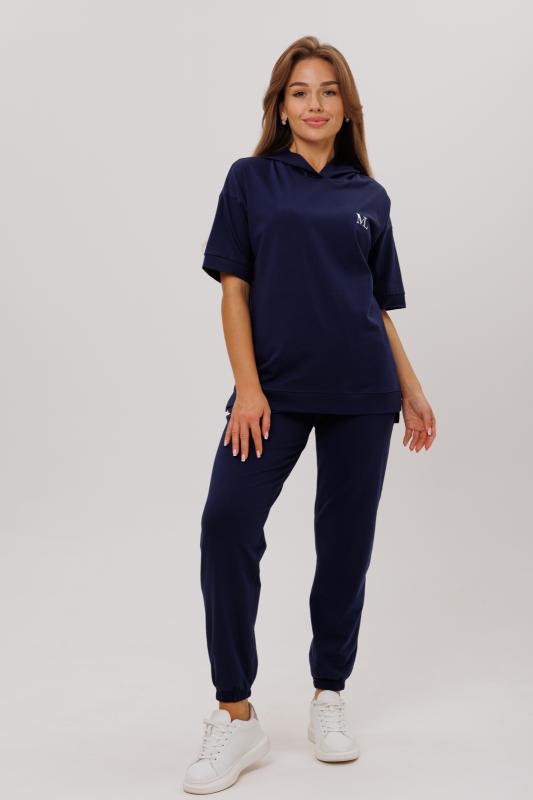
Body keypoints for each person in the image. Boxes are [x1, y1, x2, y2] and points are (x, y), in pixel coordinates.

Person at [183, 35, 436, 795]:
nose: (315, 103)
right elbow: (233, 289)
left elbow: (375, 305)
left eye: (328, 91)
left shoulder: (369, 196)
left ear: (346, 107)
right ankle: (236, 714)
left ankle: (329, 694)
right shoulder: (250, 180)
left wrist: (411, 387)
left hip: (362, 392)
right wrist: (248, 388)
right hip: (273, 393)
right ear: (281, 106)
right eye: (300, 91)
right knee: (227, 523)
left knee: (345, 545)